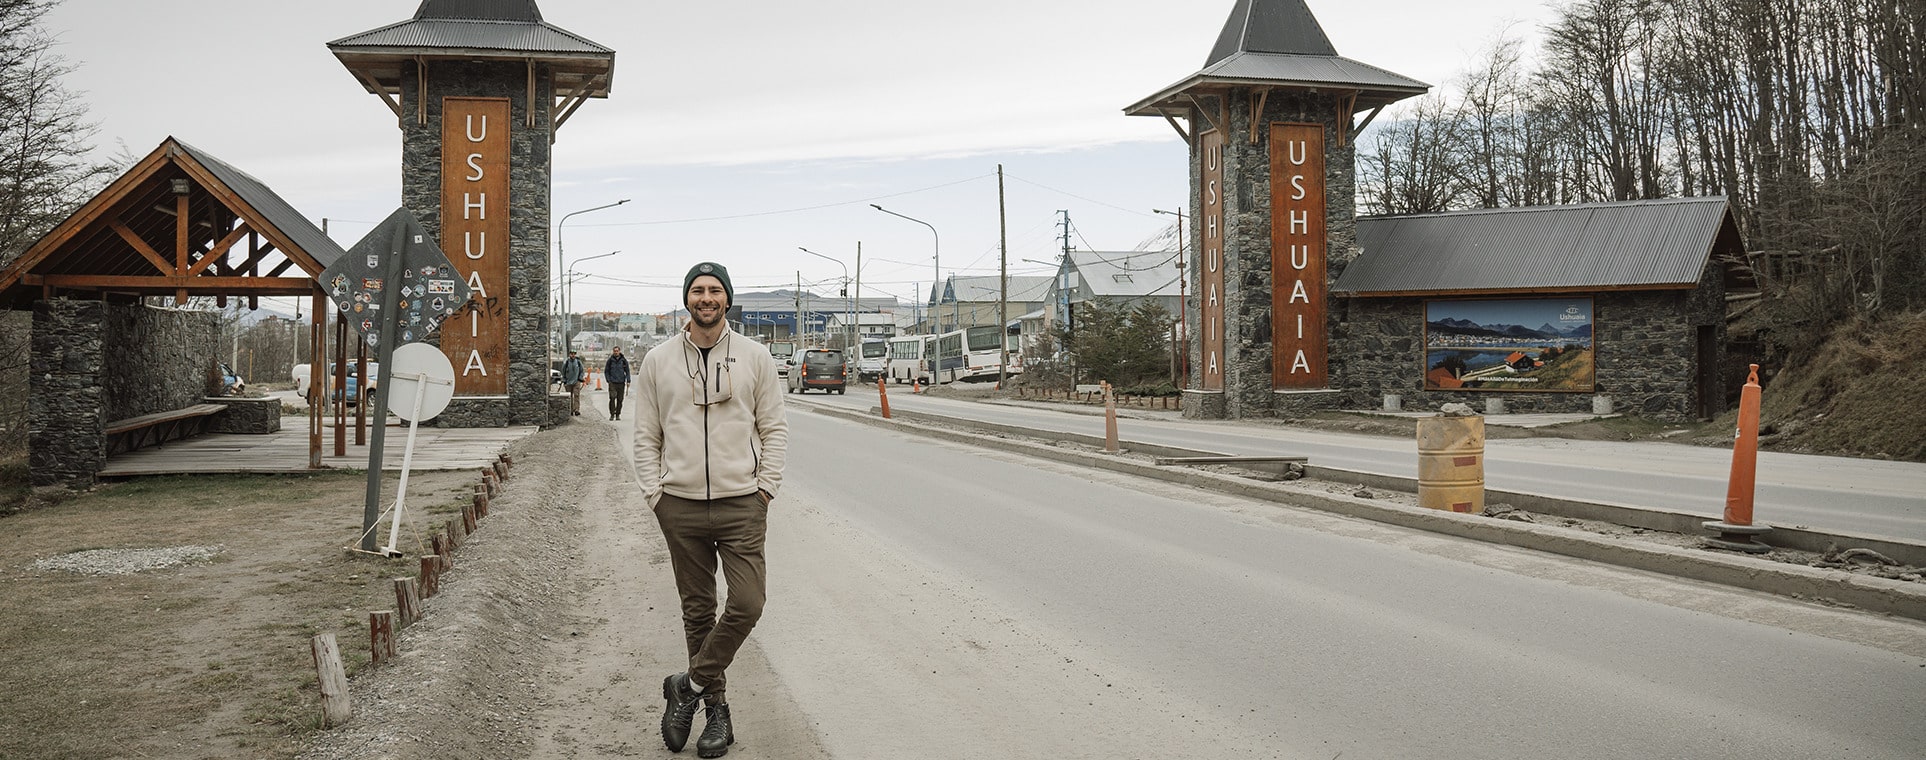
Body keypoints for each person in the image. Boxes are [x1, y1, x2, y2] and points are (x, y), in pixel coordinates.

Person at [632, 261, 786, 758]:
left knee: (747, 604)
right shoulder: (658, 360)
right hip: (679, 506)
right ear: (686, 299)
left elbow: (774, 429)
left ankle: (689, 686)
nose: (706, 298)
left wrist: (764, 490)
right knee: (698, 612)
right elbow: (645, 436)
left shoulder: (755, 356)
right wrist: (656, 496)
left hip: (743, 504)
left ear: (727, 299)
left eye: (714, 290)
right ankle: (718, 713)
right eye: (697, 290)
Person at [604, 345, 631, 420]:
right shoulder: (610, 360)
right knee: (612, 398)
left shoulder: (623, 360)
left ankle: (618, 414)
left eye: (617, 351)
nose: (616, 352)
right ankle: (612, 414)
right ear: (613, 352)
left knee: (620, 399)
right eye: (615, 351)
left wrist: (628, 380)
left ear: (619, 351)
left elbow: (627, 371)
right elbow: (606, 371)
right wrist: (608, 380)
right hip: (612, 382)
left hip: (621, 382)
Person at [561, 350, 586, 416]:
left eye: (574, 354)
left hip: (576, 381)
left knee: (576, 395)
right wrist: (564, 380)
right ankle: (571, 410)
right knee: (569, 396)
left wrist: (580, 378)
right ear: (569, 354)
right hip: (568, 382)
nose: (573, 355)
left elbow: (582, 371)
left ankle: (576, 410)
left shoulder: (578, 362)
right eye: (571, 354)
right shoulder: (566, 362)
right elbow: (563, 372)